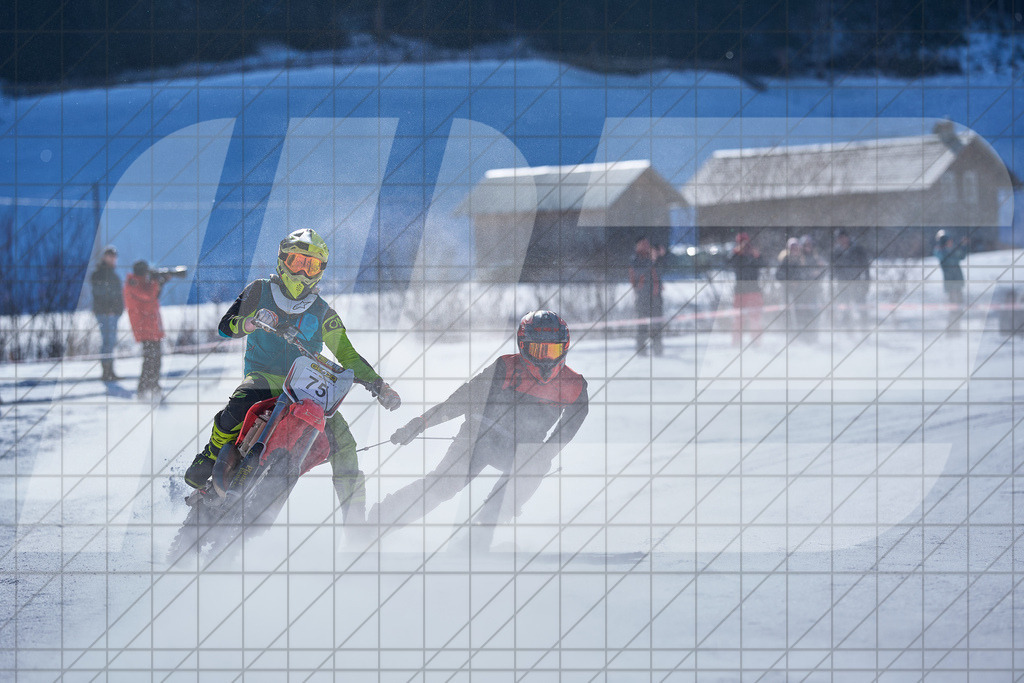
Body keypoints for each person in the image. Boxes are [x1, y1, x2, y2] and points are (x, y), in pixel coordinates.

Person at [183, 228, 402, 525]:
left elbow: (348, 356)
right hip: (265, 377)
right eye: (297, 262)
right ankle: (210, 456)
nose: (302, 272)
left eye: (311, 266)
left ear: (320, 271)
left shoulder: (323, 312)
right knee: (239, 403)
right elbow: (226, 326)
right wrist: (251, 322)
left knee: (344, 444)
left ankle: (356, 523)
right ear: (282, 260)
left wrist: (379, 385)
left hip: (306, 390)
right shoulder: (259, 290)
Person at [365, 311, 589, 544]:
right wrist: (421, 423)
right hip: (479, 437)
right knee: (443, 486)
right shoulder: (505, 367)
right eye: (537, 351)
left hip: (518, 450)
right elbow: (463, 398)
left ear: (564, 348)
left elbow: (565, 433)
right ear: (523, 346)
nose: (545, 360)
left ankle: (482, 531)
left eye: (551, 351)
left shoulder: (575, 387)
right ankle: (380, 520)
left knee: (538, 462)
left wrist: (544, 454)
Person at [124, 261, 169, 400]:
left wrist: (162, 282)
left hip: (152, 327)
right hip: (145, 328)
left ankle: (154, 387)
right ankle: (143, 390)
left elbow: (154, 296)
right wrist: (156, 281)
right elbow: (148, 296)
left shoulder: (143, 283)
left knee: (156, 360)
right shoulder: (133, 284)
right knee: (150, 361)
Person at [89, 245, 124, 381]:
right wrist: (108, 308)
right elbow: (100, 293)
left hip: (114, 314)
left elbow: (118, 295)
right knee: (107, 342)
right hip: (104, 313)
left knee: (111, 342)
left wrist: (118, 310)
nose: (113, 259)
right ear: (104, 257)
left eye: (114, 257)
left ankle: (110, 372)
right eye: (110, 256)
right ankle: (107, 372)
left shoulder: (114, 275)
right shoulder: (99, 274)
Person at [727, 233, 765, 347]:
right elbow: (729, 263)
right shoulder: (736, 255)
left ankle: (757, 342)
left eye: (745, 242)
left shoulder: (754, 254)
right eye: (741, 242)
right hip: (740, 292)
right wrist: (737, 252)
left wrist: (756, 255)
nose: (744, 245)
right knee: (738, 319)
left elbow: (763, 263)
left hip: (754, 291)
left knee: (755, 318)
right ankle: (736, 342)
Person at [629, 237, 665, 356]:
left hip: (656, 296)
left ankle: (658, 351)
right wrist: (652, 260)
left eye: (647, 243)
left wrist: (659, 255)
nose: (646, 246)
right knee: (642, 326)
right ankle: (641, 351)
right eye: (643, 244)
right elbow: (640, 271)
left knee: (657, 325)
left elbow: (660, 270)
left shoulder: (652, 258)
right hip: (643, 297)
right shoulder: (635, 259)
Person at [830, 229, 872, 329]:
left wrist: (866, 284)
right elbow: (833, 270)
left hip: (857, 284)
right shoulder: (836, 252)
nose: (841, 240)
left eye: (843, 238)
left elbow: (866, 268)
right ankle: (848, 331)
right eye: (839, 239)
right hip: (842, 285)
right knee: (845, 310)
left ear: (847, 237)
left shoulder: (858, 249)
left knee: (862, 309)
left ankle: (864, 330)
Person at [934, 230, 970, 334]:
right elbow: (951, 259)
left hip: (958, 283)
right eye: (949, 241)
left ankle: (956, 330)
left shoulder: (950, 251)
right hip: (950, 285)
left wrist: (964, 246)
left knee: (959, 308)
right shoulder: (940, 252)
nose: (951, 243)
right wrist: (957, 248)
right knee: (953, 309)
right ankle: (951, 331)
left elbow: (962, 256)